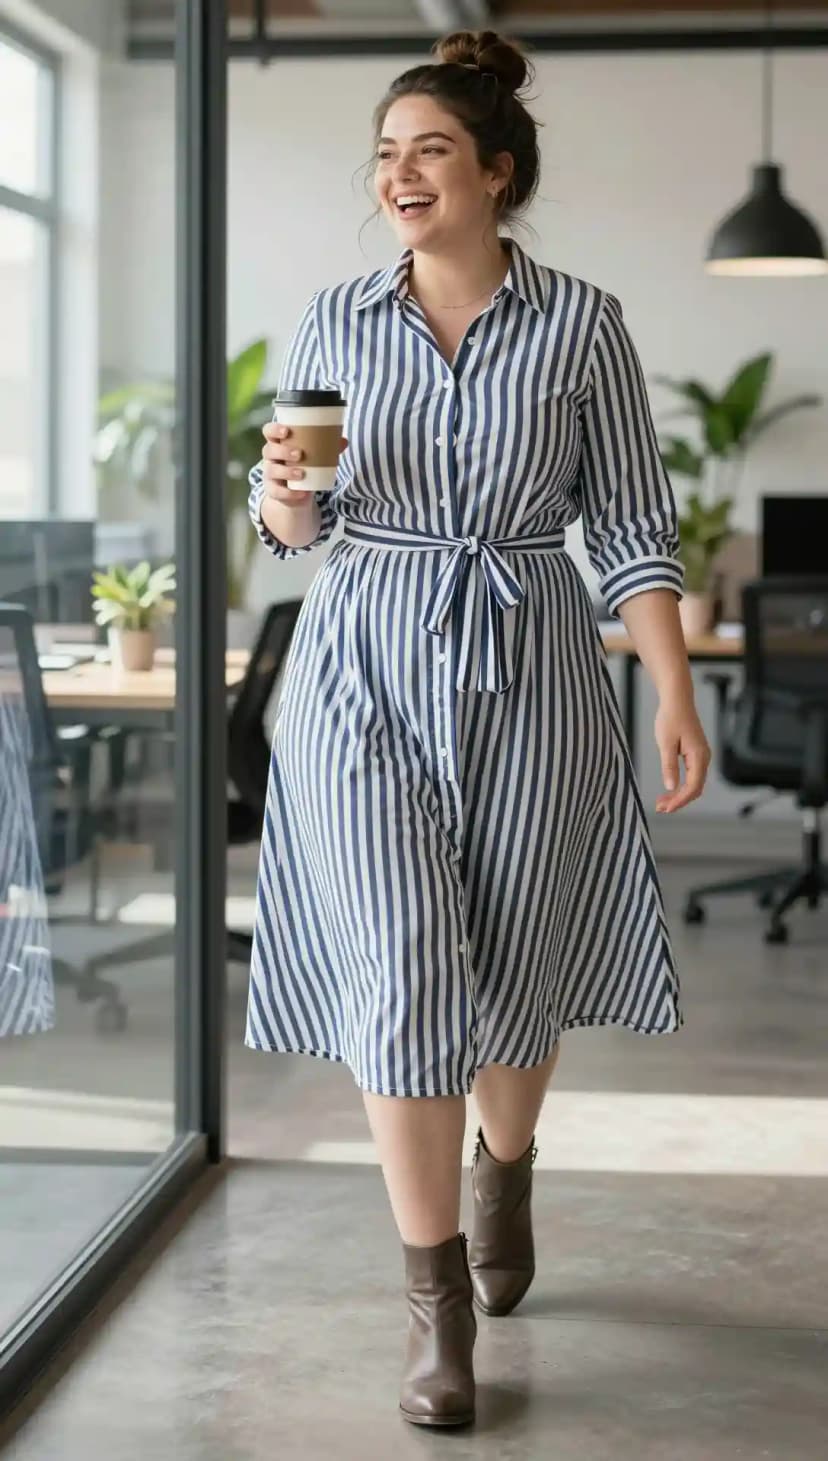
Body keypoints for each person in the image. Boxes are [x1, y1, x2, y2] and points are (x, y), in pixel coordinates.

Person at [245, 27, 711, 1430]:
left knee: (513, 961)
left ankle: (509, 1160)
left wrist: (674, 688)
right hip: (359, 662)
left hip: (532, 652)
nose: (399, 172)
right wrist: (277, 501)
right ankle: (435, 1299)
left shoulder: (583, 324)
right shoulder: (330, 319)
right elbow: (290, 524)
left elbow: (629, 522)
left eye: (429, 149)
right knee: (399, 961)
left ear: (497, 174)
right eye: (385, 153)